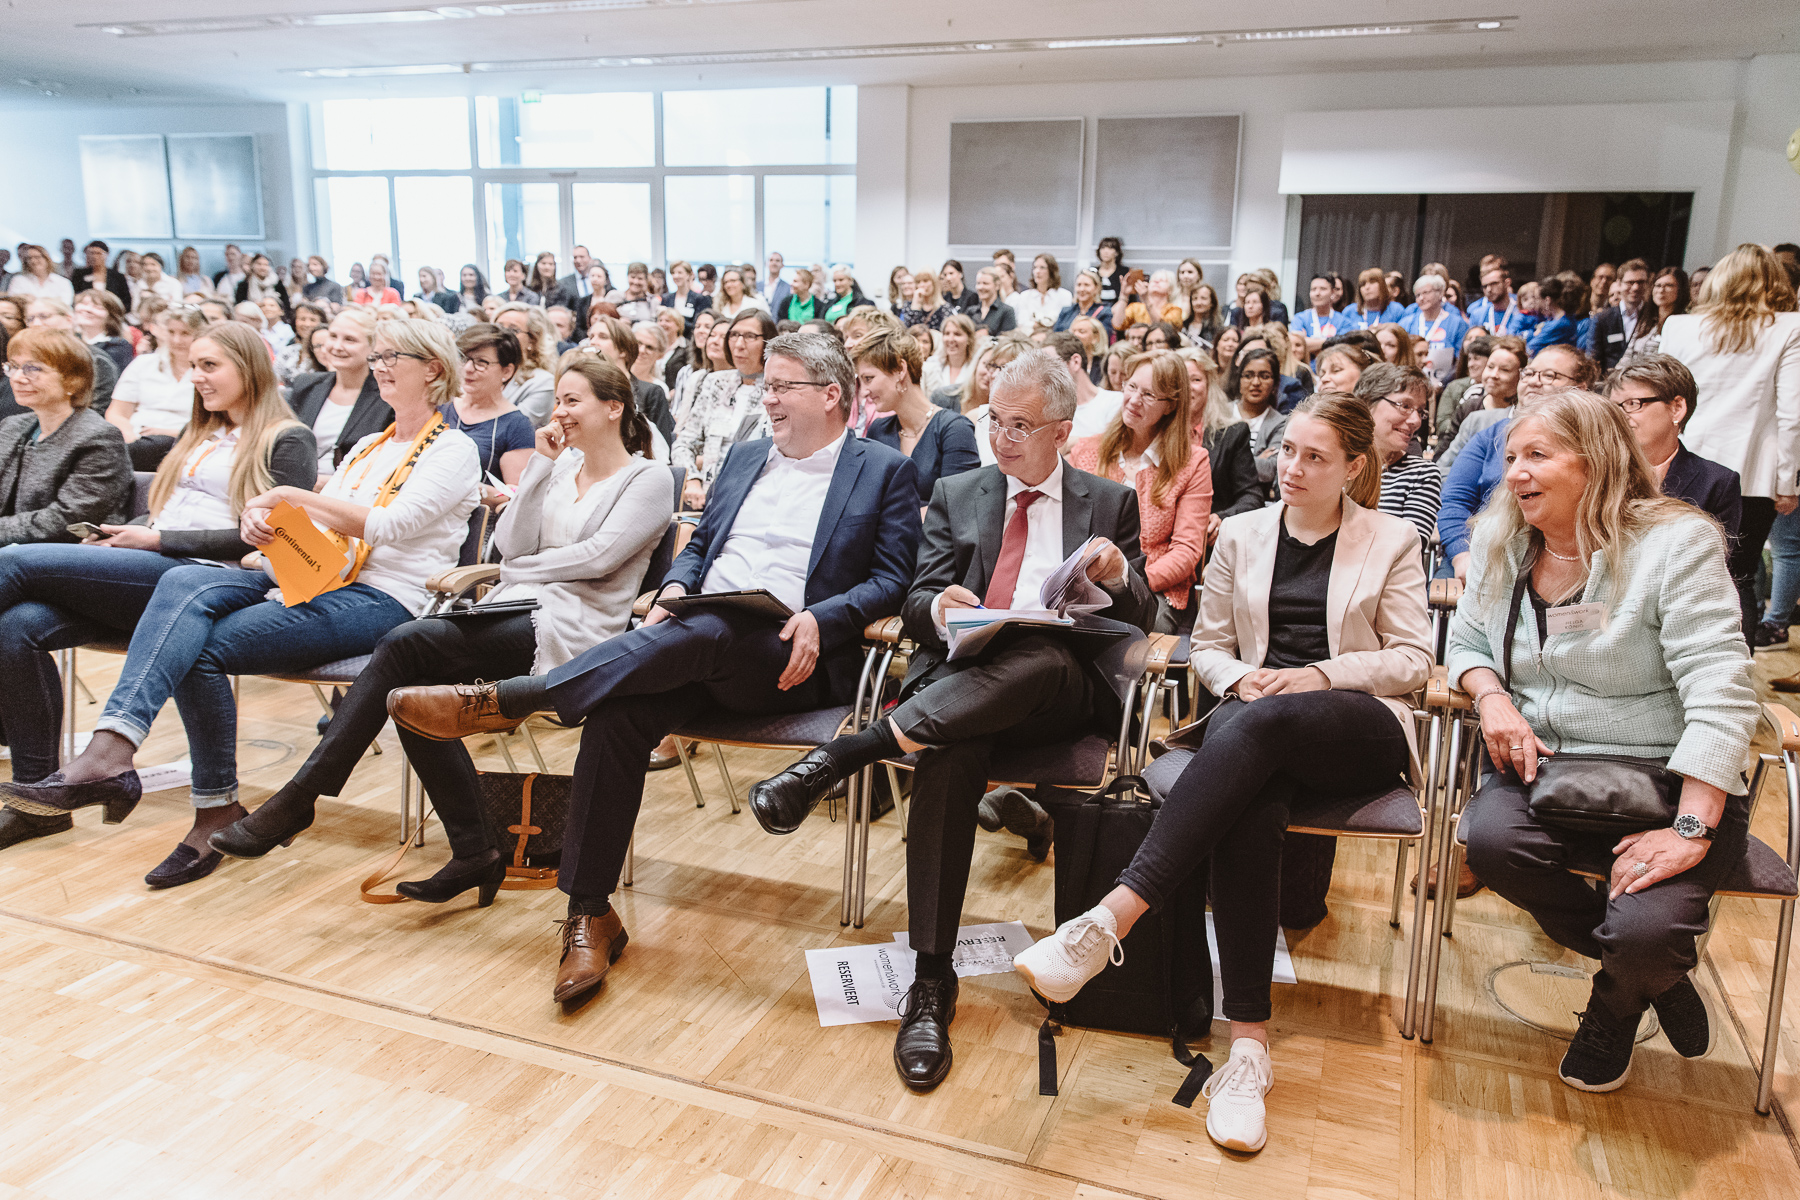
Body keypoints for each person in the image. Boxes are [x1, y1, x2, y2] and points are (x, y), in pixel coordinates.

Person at [388, 330, 920, 1001]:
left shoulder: (883, 469)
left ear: (832, 395)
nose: (768, 397)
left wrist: (826, 616)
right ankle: (589, 914)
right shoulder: (748, 456)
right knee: (619, 710)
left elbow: (894, 578)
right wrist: (673, 587)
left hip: (790, 652)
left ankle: (518, 697)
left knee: (716, 626)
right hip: (699, 635)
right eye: (768, 385)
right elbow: (699, 551)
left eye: (781, 386)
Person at [1013, 389, 1430, 1152]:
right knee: (1252, 798)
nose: (1292, 468)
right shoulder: (1241, 533)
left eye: (1315, 457)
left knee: (1261, 725)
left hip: (1357, 723)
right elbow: (1204, 644)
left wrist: (1318, 676)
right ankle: (1248, 1051)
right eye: (1288, 452)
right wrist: (1241, 679)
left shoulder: (1391, 539)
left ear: (1354, 467)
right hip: (1255, 721)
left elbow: (1411, 659)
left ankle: (1109, 919)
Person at [748, 348, 1155, 1091]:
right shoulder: (960, 490)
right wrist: (938, 606)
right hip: (963, 688)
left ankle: (847, 755)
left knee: (1040, 655)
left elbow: (1141, 620)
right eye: (993, 420)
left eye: (1020, 426)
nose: (1001, 439)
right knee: (947, 756)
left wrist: (1118, 575)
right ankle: (931, 985)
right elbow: (914, 597)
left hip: (1060, 697)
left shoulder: (1108, 501)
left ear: (1062, 431)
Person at [0, 318, 481, 881]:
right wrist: (266, 530)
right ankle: (151, 769)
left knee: (179, 632)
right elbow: (320, 533)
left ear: (433, 369)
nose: (377, 365)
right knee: (180, 608)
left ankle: (180, 789)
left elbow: (390, 525)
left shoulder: (453, 448)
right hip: (311, 575)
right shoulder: (369, 447)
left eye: (388, 355)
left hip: (384, 597)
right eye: (375, 356)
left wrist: (287, 496)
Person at [210, 353, 674, 872]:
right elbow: (511, 544)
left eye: (573, 401)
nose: (559, 412)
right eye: (558, 400)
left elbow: (599, 559)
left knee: (408, 646)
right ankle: (475, 851)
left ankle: (303, 797)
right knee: (412, 690)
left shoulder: (649, 478)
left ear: (614, 408)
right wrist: (541, 466)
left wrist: (523, 568)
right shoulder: (562, 467)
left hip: (579, 629)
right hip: (518, 607)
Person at [1447, 389, 1757, 1095]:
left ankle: (1618, 999)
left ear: (1596, 461)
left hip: (1673, 783)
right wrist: (1492, 697)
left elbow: (1721, 687)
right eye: (1512, 458)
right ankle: (1655, 977)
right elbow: (1466, 639)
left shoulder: (1675, 544)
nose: (1516, 473)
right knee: (1491, 843)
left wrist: (1690, 827)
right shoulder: (1506, 540)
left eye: (1538, 455)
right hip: (1548, 765)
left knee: (1648, 932)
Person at [0, 324, 317, 854]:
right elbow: (161, 495)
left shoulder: (288, 438)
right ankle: (38, 804)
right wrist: (129, 535)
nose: (196, 377)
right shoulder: (199, 434)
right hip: (150, 571)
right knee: (15, 625)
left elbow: (278, 535)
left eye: (209, 366)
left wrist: (155, 538)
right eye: (193, 365)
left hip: (210, 579)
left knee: (13, 563)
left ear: (249, 368)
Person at [1659, 244, 1800, 639]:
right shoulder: (1791, 326)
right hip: (1752, 472)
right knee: (1738, 580)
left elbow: (1661, 397)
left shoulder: (1679, 326)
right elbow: (1792, 414)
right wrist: (1787, 483)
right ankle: (1731, 686)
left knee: (1665, 573)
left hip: (1681, 464)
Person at [1069, 349, 1213, 629]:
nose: (1134, 400)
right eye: (1131, 387)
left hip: (1152, 589)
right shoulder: (1086, 450)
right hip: (1082, 585)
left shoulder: (1193, 462)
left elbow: (1186, 552)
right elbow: (1066, 526)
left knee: (1118, 630)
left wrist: (1126, 580)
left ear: (1170, 405)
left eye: (1148, 395)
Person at [1438, 344, 1600, 582]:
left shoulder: (1595, 441)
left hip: (1573, 562)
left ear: (1580, 387)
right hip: (1481, 556)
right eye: (1530, 373)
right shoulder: (1489, 436)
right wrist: (1462, 554)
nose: (1534, 381)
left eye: (1549, 375)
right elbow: (1455, 501)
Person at [0, 327, 131, 546]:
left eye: (32, 369)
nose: (18, 378)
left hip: (65, 552)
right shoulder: (11, 426)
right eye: (13, 367)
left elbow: (66, 521)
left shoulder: (98, 437)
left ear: (73, 381)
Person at [855, 325, 980, 509]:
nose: (864, 391)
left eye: (868, 378)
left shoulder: (955, 430)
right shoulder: (878, 430)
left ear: (900, 370)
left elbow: (957, 509)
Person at [673, 310, 777, 506]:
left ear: (768, 342)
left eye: (749, 336)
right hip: (707, 497)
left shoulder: (779, 389)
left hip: (754, 498)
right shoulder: (715, 383)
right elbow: (684, 443)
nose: (739, 344)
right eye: (734, 335)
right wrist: (693, 480)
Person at [446, 324, 536, 523]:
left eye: (482, 363)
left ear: (506, 371)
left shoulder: (516, 425)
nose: (468, 369)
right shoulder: (441, 406)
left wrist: (471, 488)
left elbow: (516, 497)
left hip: (473, 529)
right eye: (464, 359)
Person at [1352, 363, 1441, 545]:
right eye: (1405, 405)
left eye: (1420, 411)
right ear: (1367, 402)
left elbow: (1408, 548)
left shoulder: (1421, 474)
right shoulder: (1335, 464)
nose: (1416, 421)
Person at [1181, 349, 1260, 548]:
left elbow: (1252, 497)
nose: (1187, 387)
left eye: (1196, 380)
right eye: (1180, 379)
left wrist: (1222, 518)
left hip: (1209, 544)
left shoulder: (1233, 433)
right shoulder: (1155, 434)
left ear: (1209, 385)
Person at [1438, 334, 1529, 470]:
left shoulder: (1524, 414)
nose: (1493, 375)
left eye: (1505, 370)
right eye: (1490, 367)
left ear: (1520, 375)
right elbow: (1444, 456)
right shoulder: (1470, 406)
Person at [585, 316, 676, 446]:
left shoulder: (651, 393)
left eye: (603, 337)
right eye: (591, 337)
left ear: (622, 350)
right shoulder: (586, 388)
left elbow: (662, 449)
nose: (593, 342)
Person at [1228, 347, 1286, 502]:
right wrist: (1256, 459)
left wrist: (1227, 461)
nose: (1255, 382)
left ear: (1275, 384)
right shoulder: (1221, 415)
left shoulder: (1281, 423)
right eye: (1248, 376)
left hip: (1260, 502)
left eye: (1264, 376)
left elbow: (1271, 469)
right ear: (1239, 380)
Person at [1048, 331, 1123, 443]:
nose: (1044, 373)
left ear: (1075, 362)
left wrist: (1067, 444)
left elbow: (1109, 446)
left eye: (1050, 364)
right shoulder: (1050, 411)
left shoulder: (1115, 401)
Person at [494, 303, 558, 426]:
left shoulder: (542, 382)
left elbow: (513, 429)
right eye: (497, 327)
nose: (501, 335)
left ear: (532, 340)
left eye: (513, 330)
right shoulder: (476, 370)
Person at [1585, 258, 1652, 371]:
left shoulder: (1652, 317)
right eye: (1630, 282)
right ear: (1619, 284)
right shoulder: (1603, 318)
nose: (1635, 288)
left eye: (1640, 282)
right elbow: (1592, 358)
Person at [1400, 274, 1469, 382]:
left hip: (1444, 384)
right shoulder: (1406, 323)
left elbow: (1460, 362)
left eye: (1426, 293)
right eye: (1417, 295)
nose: (1421, 298)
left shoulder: (1457, 324)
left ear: (1440, 293)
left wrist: (1442, 384)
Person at [72, 289, 133, 376]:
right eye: (84, 304)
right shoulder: (70, 339)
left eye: (98, 307)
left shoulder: (118, 346)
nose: (87, 309)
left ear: (111, 316)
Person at [923, 312, 978, 405]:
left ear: (969, 338)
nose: (951, 339)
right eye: (947, 334)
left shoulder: (975, 369)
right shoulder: (931, 364)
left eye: (957, 334)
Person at [1009, 254, 1073, 334]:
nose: (1037, 271)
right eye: (1035, 268)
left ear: (1051, 270)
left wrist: (1036, 323)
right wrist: (1046, 324)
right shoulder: (1025, 296)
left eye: (1042, 268)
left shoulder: (1065, 295)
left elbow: (1063, 324)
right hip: (1030, 339)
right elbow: (1022, 323)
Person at [1293, 274, 1353, 357]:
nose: (1317, 293)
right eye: (1313, 289)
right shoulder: (1300, 318)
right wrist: (1333, 341)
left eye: (1323, 289)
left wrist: (1309, 343)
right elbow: (1296, 345)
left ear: (1332, 292)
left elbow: (1342, 348)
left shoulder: (1344, 321)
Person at [1525, 273, 1581, 357]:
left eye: (1537, 298)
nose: (1535, 303)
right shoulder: (1562, 319)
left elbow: (1530, 348)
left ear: (1547, 300)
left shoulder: (1559, 324)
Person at [70, 240, 132, 310]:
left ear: (106, 255)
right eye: (91, 253)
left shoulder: (117, 277)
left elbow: (126, 301)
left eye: (98, 253)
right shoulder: (79, 274)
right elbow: (74, 294)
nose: (94, 257)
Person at [233, 254, 291, 322]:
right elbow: (239, 305)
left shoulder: (277, 283)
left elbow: (286, 305)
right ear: (252, 266)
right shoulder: (244, 285)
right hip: (252, 320)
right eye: (259, 264)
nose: (262, 267)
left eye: (265, 265)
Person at [8, 245, 74, 304]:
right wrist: (51, 300)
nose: (33, 261)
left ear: (46, 259)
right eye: (29, 258)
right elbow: (14, 302)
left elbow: (65, 304)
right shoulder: (18, 281)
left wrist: (29, 299)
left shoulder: (63, 282)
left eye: (37, 257)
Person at [968, 267, 1019, 340]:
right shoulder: (971, 311)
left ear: (997, 286)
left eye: (985, 283)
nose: (981, 287)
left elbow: (1008, 341)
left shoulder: (1006, 311)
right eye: (978, 283)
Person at [1094, 237, 1126, 306]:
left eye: (1110, 248)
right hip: (1094, 311)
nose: (1106, 251)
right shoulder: (1092, 272)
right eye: (1103, 248)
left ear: (1116, 252)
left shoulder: (1124, 273)